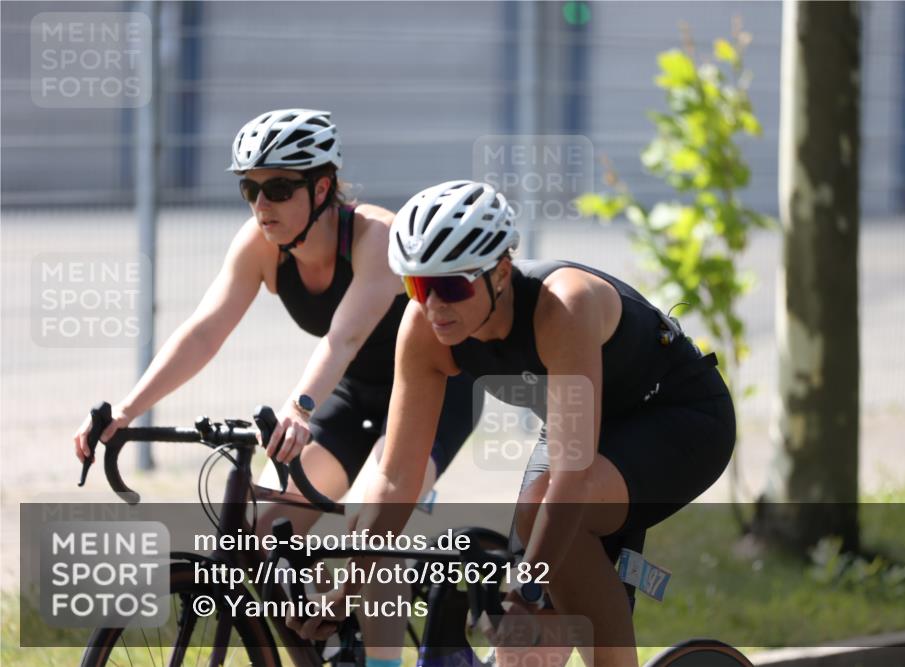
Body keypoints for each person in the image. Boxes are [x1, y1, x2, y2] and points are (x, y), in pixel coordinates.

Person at [73, 111, 479, 667]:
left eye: (279, 188)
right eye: (249, 188)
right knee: (262, 532)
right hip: (356, 393)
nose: (261, 205)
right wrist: (124, 411)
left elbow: (344, 337)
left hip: (432, 390)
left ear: (322, 187)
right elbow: (204, 331)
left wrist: (297, 407)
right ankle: (330, 640)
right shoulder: (261, 244)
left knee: (370, 533)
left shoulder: (376, 237)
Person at [287, 180, 737, 667]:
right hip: (581, 429)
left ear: (501, 272)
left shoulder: (563, 306)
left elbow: (571, 479)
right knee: (523, 649)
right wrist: (348, 587)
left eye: (452, 285)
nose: (434, 305)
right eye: (417, 286)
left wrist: (527, 585)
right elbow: (397, 478)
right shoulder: (423, 329)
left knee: (551, 526)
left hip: (679, 417)